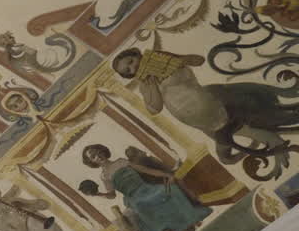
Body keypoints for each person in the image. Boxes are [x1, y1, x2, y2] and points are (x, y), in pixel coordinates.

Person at [112, 48, 299, 161]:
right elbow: (154, 108)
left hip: (213, 106)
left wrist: (174, 61)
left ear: (137, 54)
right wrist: (151, 83)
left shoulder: (162, 58)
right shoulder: (146, 84)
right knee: (225, 157)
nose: (133, 67)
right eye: (128, 70)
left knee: (269, 123)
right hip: (202, 122)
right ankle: (254, 145)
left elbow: (198, 60)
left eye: (131, 61)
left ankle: (269, 139)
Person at [79, 145, 209, 231]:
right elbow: (112, 195)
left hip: (146, 188)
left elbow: (146, 170)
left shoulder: (121, 162)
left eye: (97, 152)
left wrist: (167, 175)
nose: (98, 156)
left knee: (170, 189)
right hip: (133, 197)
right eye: (93, 156)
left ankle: (191, 218)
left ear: (102, 151)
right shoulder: (104, 176)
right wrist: (98, 194)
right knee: (142, 207)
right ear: (92, 162)